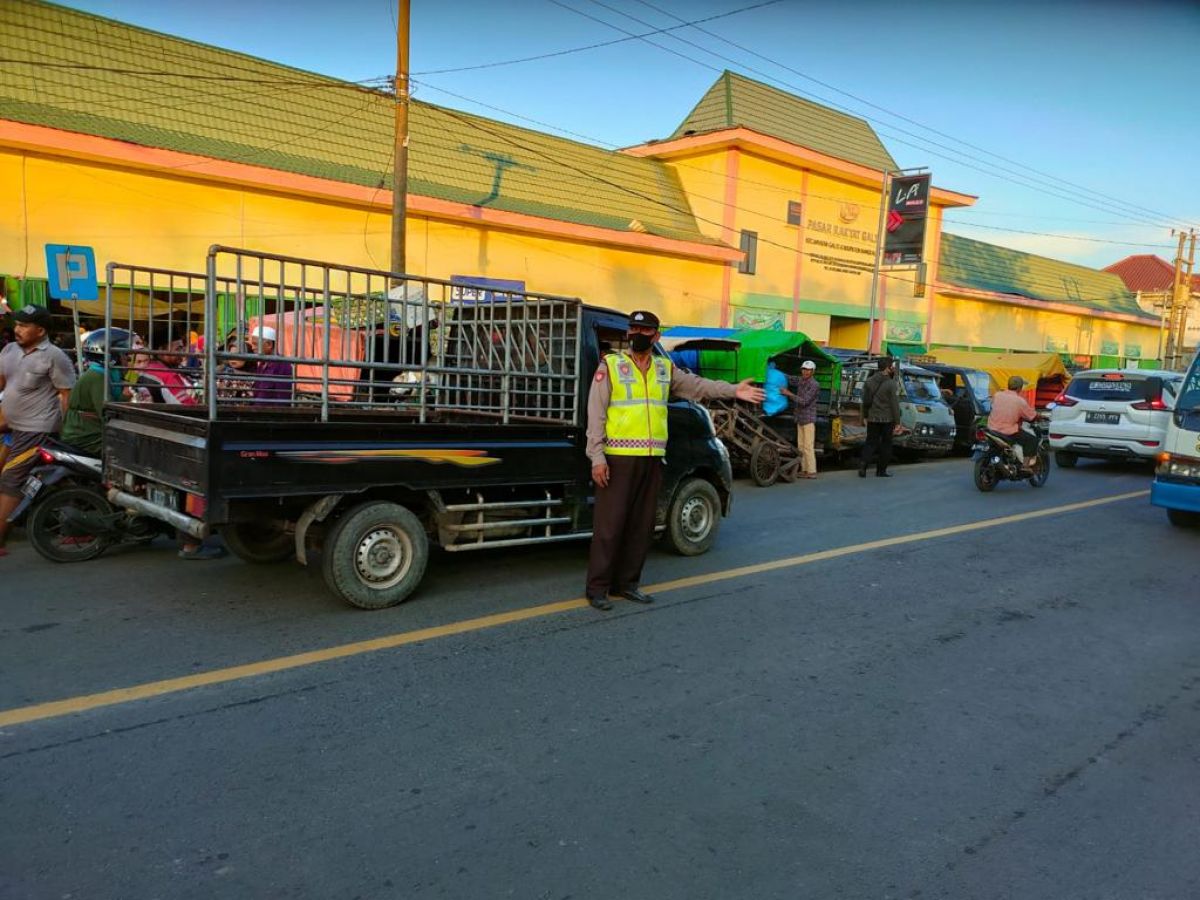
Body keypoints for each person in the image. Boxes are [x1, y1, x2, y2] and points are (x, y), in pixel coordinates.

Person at [585, 310, 764, 611]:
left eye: (644, 331)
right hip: (618, 459)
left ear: (655, 336)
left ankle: (628, 584)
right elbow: (596, 413)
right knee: (610, 526)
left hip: (653, 458)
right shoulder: (612, 366)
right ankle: (598, 588)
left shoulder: (664, 368)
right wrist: (597, 457)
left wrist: (734, 390)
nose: (636, 335)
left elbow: (698, 386)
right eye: (633, 329)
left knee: (641, 526)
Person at [0, 305, 77, 557]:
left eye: (24, 325)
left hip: (37, 430)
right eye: (17, 324)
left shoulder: (54, 356)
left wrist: (62, 429)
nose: (17, 329)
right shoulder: (9, 350)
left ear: (41, 330)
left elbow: (67, 395)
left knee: (10, 480)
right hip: (10, 426)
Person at [60, 328, 132, 455]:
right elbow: (107, 414)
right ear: (112, 357)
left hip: (89, 430)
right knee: (128, 452)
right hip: (85, 435)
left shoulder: (106, 374)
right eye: (124, 354)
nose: (129, 359)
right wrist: (125, 397)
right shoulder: (98, 377)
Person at [858, 356, 902, 478]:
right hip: (887, 419)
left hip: (872, 417)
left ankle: (863, 466)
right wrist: (898, 422)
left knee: (870, 443)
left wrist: (864, 417)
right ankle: (881, 470)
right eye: (892, 366)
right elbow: (894, 404)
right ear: (887, 368)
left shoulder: (869, 381)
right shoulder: (891, 384)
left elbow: (865, 401)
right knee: (886, 444)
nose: (893, 368)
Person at [987, 375, 1039, 470]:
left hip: (992, 429)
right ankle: (1025, 466)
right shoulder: (1020, 401)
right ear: (1020, 388)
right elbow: (1032, 416)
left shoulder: (997, 395)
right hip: (1008, 432)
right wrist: (1041, 416)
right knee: (1032, 440)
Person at [782, 359, 820, 479]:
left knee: (808, 446)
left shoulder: (814, 384)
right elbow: (791, 378)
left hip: (808, 419)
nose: (806, 372)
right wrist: (775, 372)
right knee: (801, 446)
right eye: (804, 369)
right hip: (800, 418)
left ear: (812, 371)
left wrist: (789, 394)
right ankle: (804, 470)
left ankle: (812, 471)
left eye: (808, 370)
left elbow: (804, 402)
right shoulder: (801, 380)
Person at [247, 326, 293, 405]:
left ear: (269, 344)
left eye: (255, 344)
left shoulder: (282, 366)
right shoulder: (262, 364)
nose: (253, 347)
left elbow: (282, 400)